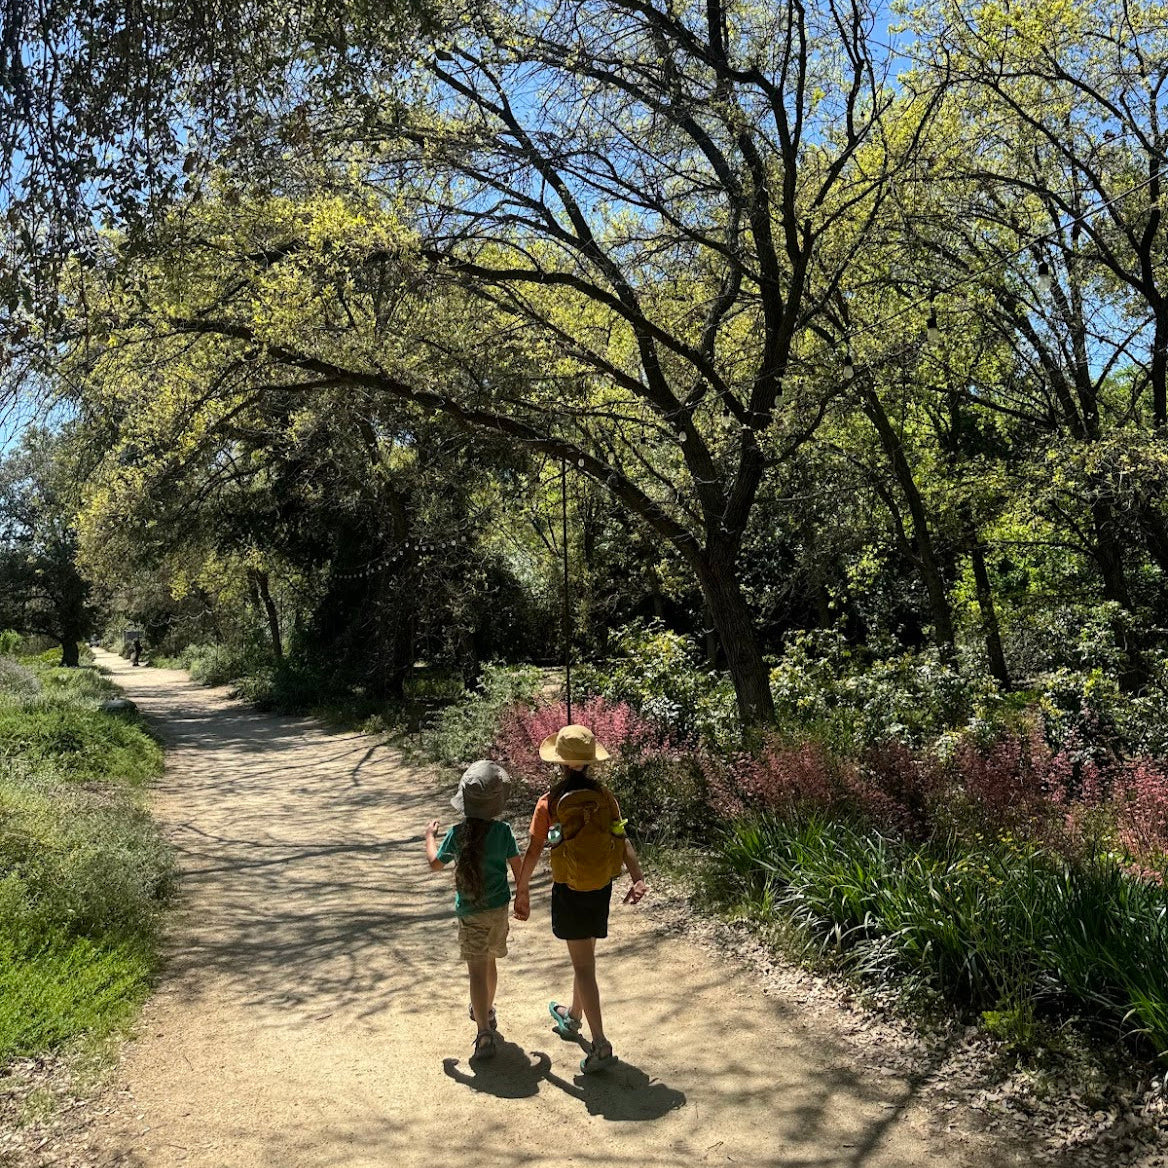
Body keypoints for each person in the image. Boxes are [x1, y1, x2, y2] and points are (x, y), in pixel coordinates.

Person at [513, 724, 647, 1074]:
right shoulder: (604, 797)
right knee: (584, 957)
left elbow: (533, 850)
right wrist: (638, 877)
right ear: (590, 762)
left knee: (584, 966)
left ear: (560, 762)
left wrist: (523, 889)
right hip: (601, 884)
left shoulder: (551, 802)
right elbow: (622, 837)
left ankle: (601, 1045)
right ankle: (573, 1017)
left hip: (569, 888)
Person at [425, 760, 522, 1062]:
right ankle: (487, 1010)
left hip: (470, 913)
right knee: (490, 962)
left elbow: (435, 864)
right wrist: (524, 898)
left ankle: (483, 1034)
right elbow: (519, 871)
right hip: (498, 910)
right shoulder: (503, 832)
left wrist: (429, 837)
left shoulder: (457, 833)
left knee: (476, 971)